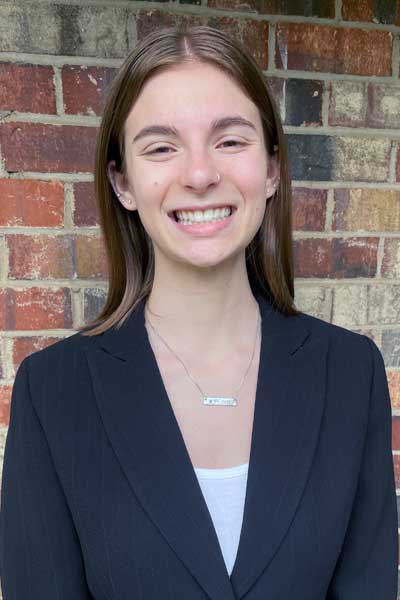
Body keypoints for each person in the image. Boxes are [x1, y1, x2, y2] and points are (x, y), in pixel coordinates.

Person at [0, 23, 397, 600]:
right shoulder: (53, 391)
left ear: (272, 169)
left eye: (230, 140)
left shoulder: (351, 373)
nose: (200, 173)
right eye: (161, 147)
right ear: (123, 182)